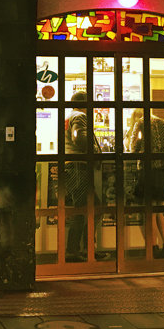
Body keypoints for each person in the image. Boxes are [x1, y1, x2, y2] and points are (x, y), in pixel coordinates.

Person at [128, 108, 164, 259]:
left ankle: (153, 248)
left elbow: (133, 147)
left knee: (150, 212)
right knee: (159, 209)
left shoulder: (140, 123)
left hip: (149, 170)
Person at [64, 91, 103, 262]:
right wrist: (96, 152)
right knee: (84, 209)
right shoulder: (80, 116)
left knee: (86, 208)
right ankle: (76, 251)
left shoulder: (69, 116)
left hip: (73, 166)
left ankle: (85, 249)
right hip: (78, 165)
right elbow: (80, 138)